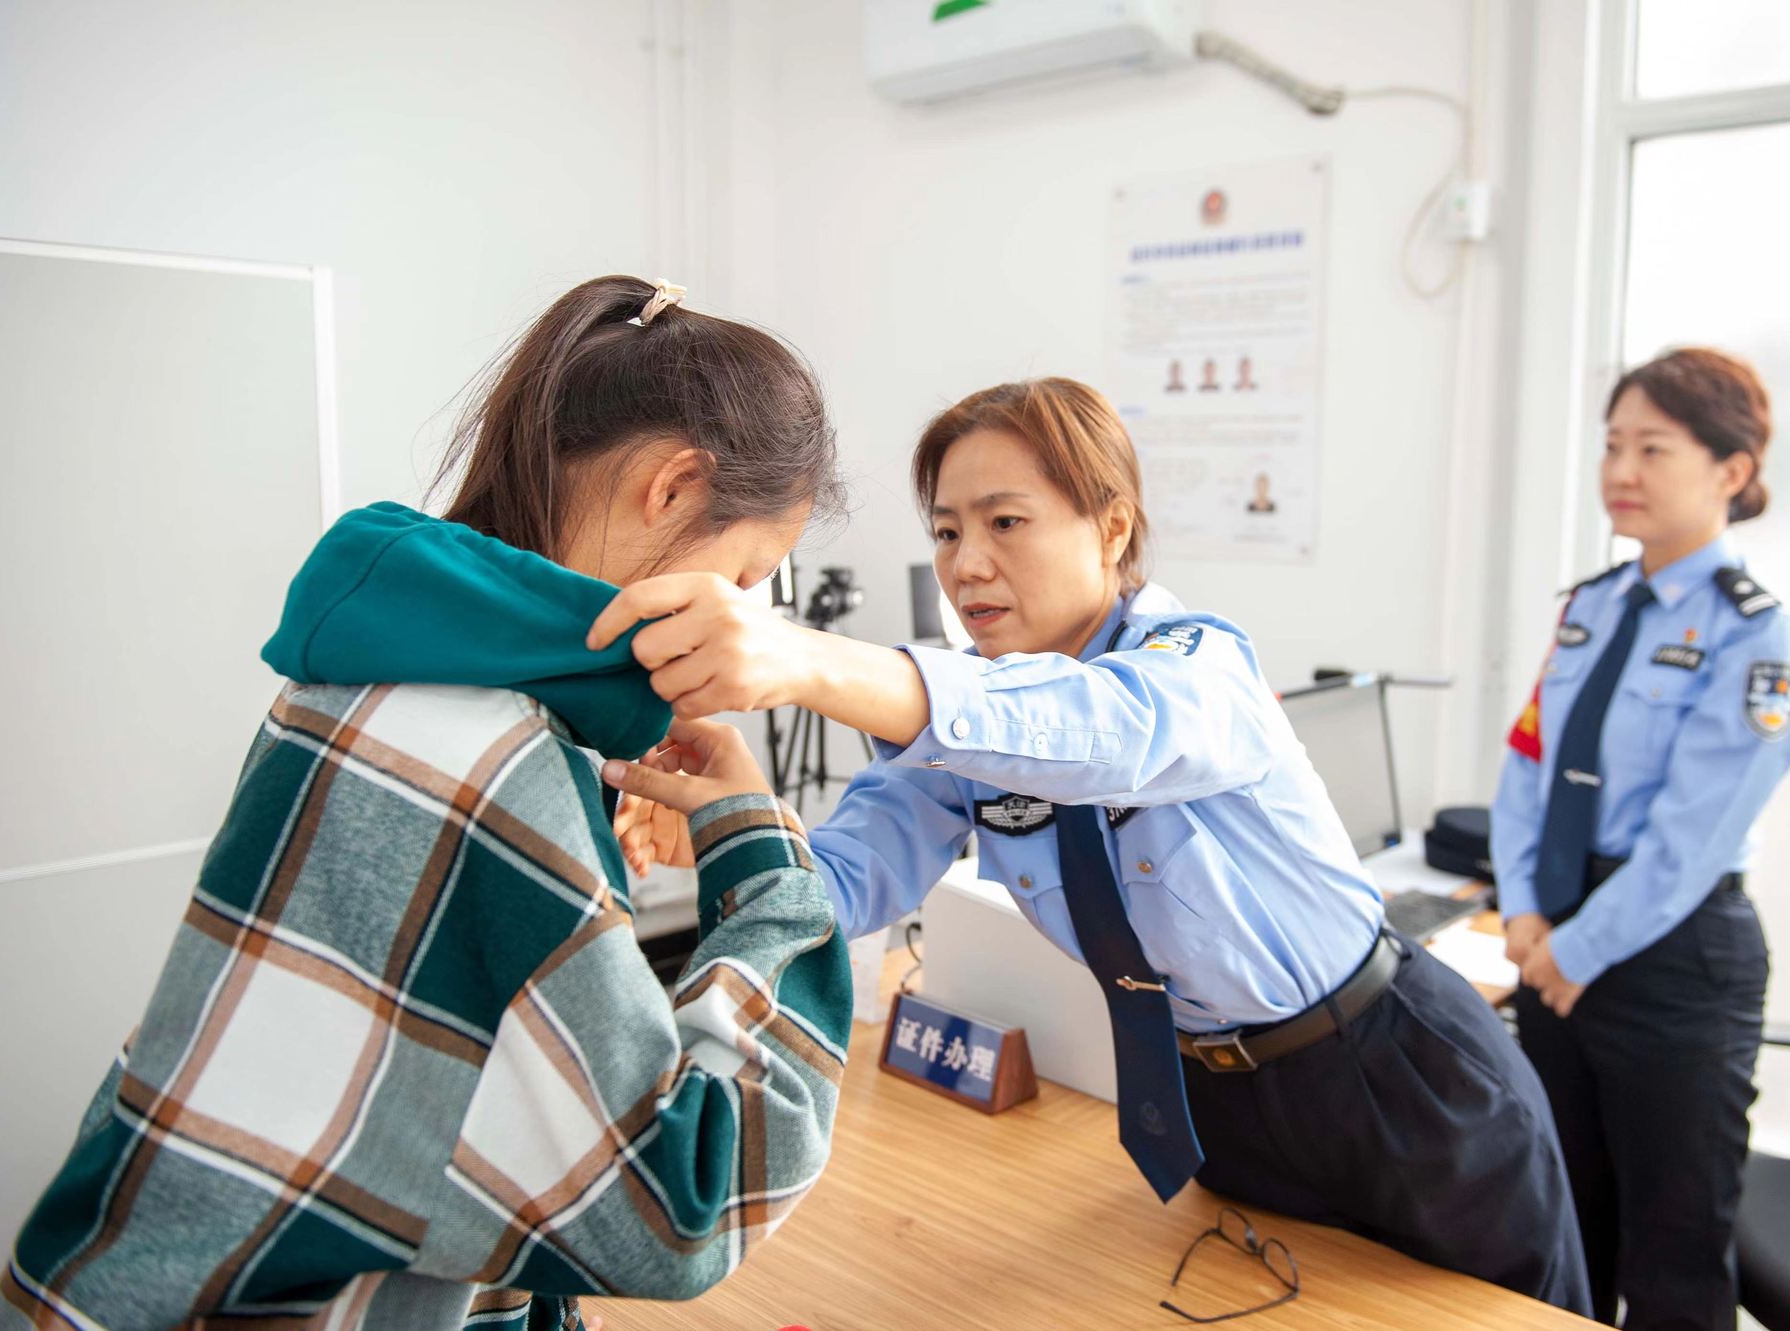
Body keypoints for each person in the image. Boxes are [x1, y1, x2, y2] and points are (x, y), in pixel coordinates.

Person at [598, 377, 1592, 1314]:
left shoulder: (1198, 670)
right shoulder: (973, 721)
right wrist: (733, 827)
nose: (966, 563)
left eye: (1005, 521)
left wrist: (808, 660)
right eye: (946, 530)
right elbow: (852, 877)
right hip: (1223, 1108)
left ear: (1111, 526)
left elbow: (1098, 732)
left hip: (1396, 1076)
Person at [0, 277, 852, 1331]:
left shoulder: (367, 669)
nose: (742, 615)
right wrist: (761, 855)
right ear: (674, 487)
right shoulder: (498, 759)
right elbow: (681, 1209)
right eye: (749, 571)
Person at [1491, 348, 1790, 1329]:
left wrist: (1570, 951)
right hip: (1554, 935)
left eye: (1651, 448)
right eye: (1611, 446)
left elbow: (1693, 837)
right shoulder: (1590, 608)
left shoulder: (1757, 638)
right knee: (1560, 1232)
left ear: (1731, 469)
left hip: (1674, 959)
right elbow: (1526, 767)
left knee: (1673, 1258)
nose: (1620, 471)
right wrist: (1523, 911)